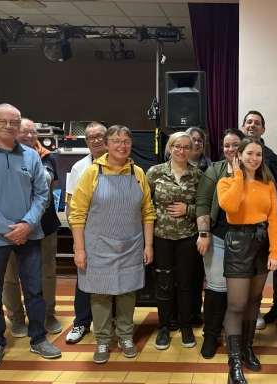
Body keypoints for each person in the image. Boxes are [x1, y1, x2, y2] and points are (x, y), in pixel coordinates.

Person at [0, 103, 62, 369]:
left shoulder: (31, 156)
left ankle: (38, 338)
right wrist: (10, 228)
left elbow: (42, 195)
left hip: (29, 235)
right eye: (3, 121)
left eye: (14, 121)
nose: (9, 125)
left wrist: (27, 225)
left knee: (35, 290)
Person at [70, 125, 155, 364]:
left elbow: (147, 211)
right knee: (100, 295)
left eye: (126, 141)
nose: (122, 145)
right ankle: (103, 340)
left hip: (131, 244)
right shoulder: (91, 173)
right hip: (98, 245)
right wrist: (80, 249)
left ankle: (126, 336)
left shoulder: (137, 173)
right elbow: (77, 214)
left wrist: (148, 245)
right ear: (106, 144)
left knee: (128, 292)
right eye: (116, 140)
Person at [217, 136, 277, 384]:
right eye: (249, 153)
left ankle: (246, 348)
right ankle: (234, 364)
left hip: (262, 242)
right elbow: (230, 207)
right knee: (237, 304)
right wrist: (238, 176)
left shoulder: (268, 184)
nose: (254, 158)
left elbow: (274, 218)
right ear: (239, 156)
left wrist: (275, 251)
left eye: (258, 154)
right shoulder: (227, 182)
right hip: (237, 243)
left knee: (255, 301)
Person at [2, 118, 62, 338]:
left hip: (44, 225)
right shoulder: (4, 156)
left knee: (47, 272)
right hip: (11, 226)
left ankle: (47, 314)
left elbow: (50, 189)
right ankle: (16, 317)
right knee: (10, 275)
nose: (29, 136)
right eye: (23, 132)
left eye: (33, 132)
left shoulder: (48, 157)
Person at [146, 132, 203, 350]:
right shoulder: (155, 173)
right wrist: (147, 242)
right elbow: (146, 207)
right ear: (170, 147)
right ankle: (163, 327)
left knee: (187, 285)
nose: (181, 151)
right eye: (177, 146)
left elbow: (206, 208)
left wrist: (187, 209)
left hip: (188, 238)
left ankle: (186, 325)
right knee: (164, 285)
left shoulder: (198, 175)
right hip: (161, 238)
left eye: (186, 147)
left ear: (192, 150)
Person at [196, 128, 245, 359]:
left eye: (236, 144)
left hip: (247, 240)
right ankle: (211, 334)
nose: (231, 149)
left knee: (241, 294)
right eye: (227, 145)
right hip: (217, 237)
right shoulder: (214, 170)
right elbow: (203, 202)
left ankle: (239, 339)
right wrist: (203, 234)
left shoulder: (256, 169)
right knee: (216, 289)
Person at [64, 122, 107, 344]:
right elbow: (70, 206)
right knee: (84, 279)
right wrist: (76, 239)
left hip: (115, 234)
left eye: (100, 136)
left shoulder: (122, 163)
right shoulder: (79, 167)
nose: (96, 140)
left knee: (114, 280)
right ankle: (81, 322)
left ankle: (113, 322)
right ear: (86, 141)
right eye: (91, 137)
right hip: (88, 234)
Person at [241, 110, 277, 328]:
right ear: (242, 127)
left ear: (263, 129)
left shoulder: (272, 157)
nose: (252, 125)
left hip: (261, 228)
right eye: (248, 122)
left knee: (258, 276)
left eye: (257, 123)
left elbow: (275, 191)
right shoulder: (233, 155)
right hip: (236, 230)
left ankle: (255, 310)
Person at [186, 126, 211, 326]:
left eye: (199, 140)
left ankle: (206, 314)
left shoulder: (211, 167)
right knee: (189, 277)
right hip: (183, 231)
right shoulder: (173, 167)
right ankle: (189, 313)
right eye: (191, 140)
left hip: (206, 229)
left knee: (208, 276)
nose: (196, 143)